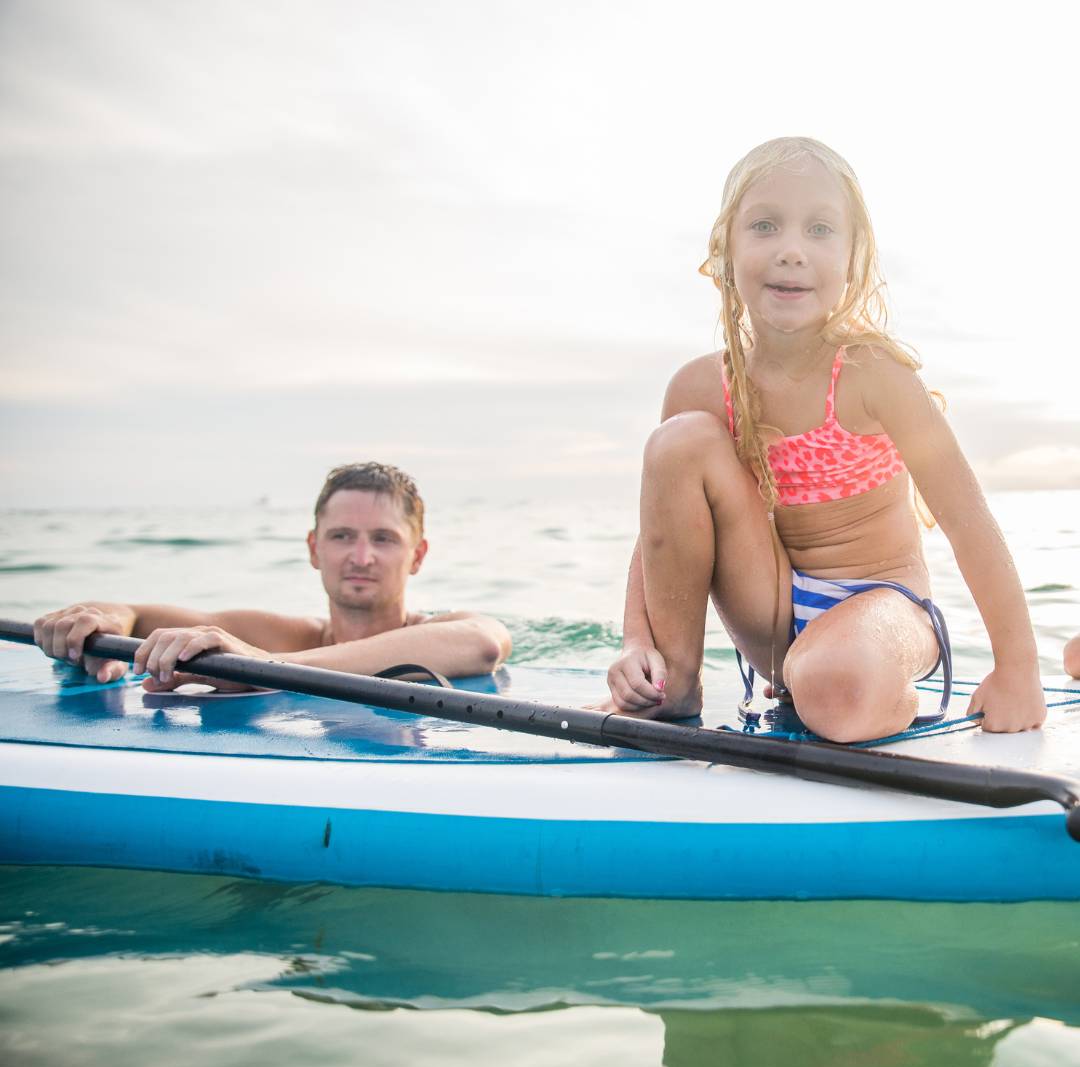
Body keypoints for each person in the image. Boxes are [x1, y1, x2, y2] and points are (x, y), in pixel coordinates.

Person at [601, 136, 1044, 741]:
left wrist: (1018, 669)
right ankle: (675, 681)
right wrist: (636, 641)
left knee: (834, 685)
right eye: (764, 226)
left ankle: (873, 692)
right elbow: (658, 532)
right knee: (677, 443)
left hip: (885, 606)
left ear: (853, 256)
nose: (791, 251)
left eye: (818, 230)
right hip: (772, 611)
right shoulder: (703, 385)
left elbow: (968, 518)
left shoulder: (873, 374)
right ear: (725, 252)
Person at [33, 462, 511, 691]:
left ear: (417, 555)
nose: (361, 557)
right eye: (343, 536)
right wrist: (102, 616)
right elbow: (139, 615)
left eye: (383, 539)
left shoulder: (438, 630)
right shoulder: (286, 634)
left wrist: (263, 669)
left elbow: (483, 643)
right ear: (313, 548)